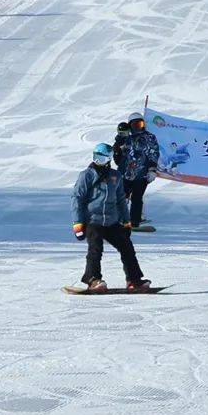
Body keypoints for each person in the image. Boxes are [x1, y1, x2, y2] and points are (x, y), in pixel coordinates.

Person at [71, 143, 151, 292]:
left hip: (111, 221)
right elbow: (77, 198)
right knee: (95, 248)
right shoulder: (87, 175)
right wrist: (78, 223)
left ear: (108, 159)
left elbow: (121, 200)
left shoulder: (115, 176)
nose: (98, 161)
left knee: (126, 247)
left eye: (101, 158)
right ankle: (92, 279)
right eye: (96, 157)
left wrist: (126, 222)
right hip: (92, 220)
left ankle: (134, 280)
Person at [121, 112, 160, 230]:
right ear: (130, 125)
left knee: (137, 198)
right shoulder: (127, 138)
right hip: (127, 174)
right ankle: (118, 220)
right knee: (122, 197)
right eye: (136, 124)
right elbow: (120, 157)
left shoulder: (149, 137)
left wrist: (152, 170)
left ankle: (135, 222)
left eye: (141, 124)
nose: (139, 127)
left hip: (142, 174)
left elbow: (154, 153)